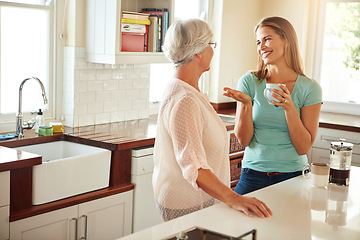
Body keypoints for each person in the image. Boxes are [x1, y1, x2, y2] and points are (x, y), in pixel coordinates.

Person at [153, 18, 272, 221]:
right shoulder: (185, 100)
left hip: (190, 200)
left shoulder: (183, 89)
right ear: (198, 51)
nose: (212, 51)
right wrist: (235, 199)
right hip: (189, 204)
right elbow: (195, 168)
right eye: (211, 45)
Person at [223, 16, 322, 195]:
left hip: (294, 176)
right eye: (258, 42)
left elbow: (303, 148)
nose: (261, 47)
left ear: (287, 40)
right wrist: (246, 105)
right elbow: (244, 140)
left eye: (267, 39)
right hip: (252, 175)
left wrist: (290, 108)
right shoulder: (249, 82)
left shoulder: (310, 88)